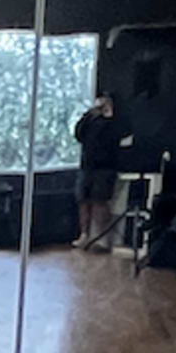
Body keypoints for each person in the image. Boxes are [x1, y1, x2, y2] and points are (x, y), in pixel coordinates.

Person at [72, 96, 123, 252]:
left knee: (100, 201)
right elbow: (78, 134)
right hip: (87, 166)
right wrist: (87, 115)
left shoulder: (114, 123)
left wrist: (109, 117)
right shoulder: (89, 122)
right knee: (83, 200)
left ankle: (103, 237)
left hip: (105, 168)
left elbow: (116, 136)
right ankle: (84, 234)